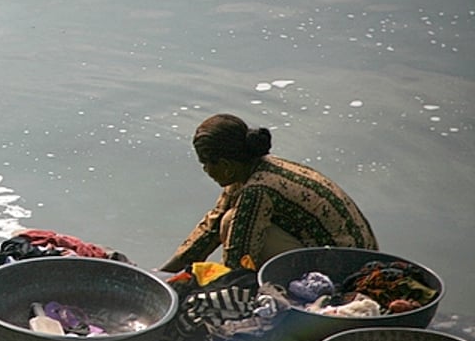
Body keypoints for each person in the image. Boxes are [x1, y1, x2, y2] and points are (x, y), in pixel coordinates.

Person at [159, 113, 377, 272]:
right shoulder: (250, 169)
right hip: (351, 252)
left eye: (206, 164)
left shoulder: (258, 190)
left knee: (231, 222)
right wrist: (162, 274)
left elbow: (238, 262)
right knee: (224, 222)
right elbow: (209, 231)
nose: (206, 170)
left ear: (225, 164)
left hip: (348, 268)